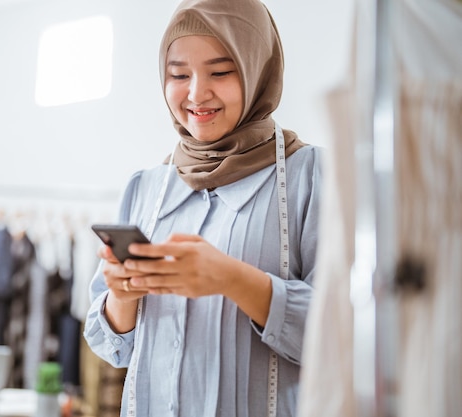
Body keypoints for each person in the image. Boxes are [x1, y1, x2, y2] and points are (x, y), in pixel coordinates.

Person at [83, 0, 322, 415]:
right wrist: (122, 296)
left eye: (221, 71)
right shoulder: (145, 187)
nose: (196, 93)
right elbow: (110, 345)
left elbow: (344, 336)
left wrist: (233, 279)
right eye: (178, 74)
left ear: (256, 70)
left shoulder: (311, 177)